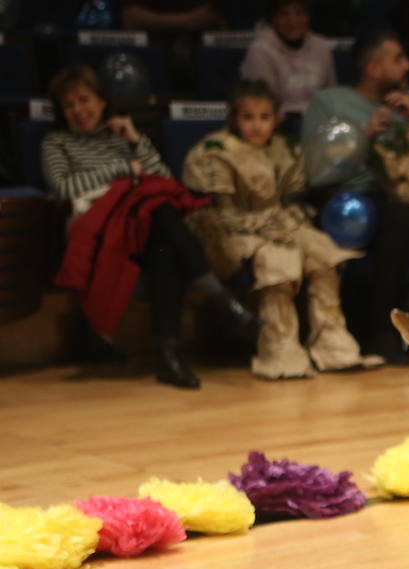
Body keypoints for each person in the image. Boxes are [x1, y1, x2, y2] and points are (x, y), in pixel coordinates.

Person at [43, 65, 259, 389]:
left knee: (163, 237)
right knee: (160, 216)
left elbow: (165, 183)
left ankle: (168, 356)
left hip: (143, 224)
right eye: (69, 105)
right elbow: (63, 186)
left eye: (84, 100)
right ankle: (219, 302)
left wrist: (135, 141)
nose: (78, 110)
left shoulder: (123, 138)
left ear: (102, 101)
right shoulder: (56, 142)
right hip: (99, 225)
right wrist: (124, 170)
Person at [182, 80, 380, 380]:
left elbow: (292, 199)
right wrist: (265, 228)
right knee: (278, 264)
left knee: (324, 256)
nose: (257, 126)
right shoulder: (215, 151)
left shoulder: (286, 148)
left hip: (282, 222)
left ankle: (333, 345)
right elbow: (218, 213)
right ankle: (281, 350)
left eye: (264, 117)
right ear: (235, 118)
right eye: (248, 118)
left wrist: (290, 224)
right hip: (236, 231)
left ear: (276, 118)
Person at [302, 30, 409, 361]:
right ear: (374, 68)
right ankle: (383, 333)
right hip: (355, 203)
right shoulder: (330, 103)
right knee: (400, 217)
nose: (408, 65)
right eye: (398, 59)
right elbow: (317, 173)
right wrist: (363, 138)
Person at [240, 0, 337, 116]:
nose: (292, 22)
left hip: (319, 123)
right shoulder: (259, 52)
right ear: (273, 18)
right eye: (284, 14)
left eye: (299, 13)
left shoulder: (322, 47)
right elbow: (263, 106)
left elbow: (331, 96)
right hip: (276, 126)